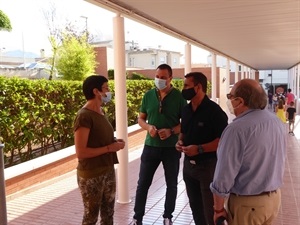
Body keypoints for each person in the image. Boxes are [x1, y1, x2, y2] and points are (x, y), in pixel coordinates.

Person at [210, 79, 286, 225]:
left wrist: (218, 209)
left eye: (230, 97)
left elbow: (223, 174)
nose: (229, 101)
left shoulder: (236, 129)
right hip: (273, 200)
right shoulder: (275, 121)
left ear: (239, 101)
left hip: (247, 206)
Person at [130, 64, 187, 225]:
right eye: (157, 77)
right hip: (150, 147)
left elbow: (186, 122)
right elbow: (141, 118)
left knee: (171, 184)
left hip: (171, 148)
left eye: (163, 77)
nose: (159, 80)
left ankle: (167, 216)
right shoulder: (148, 95)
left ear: (170, 78)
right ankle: (137, 217)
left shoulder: (179, 97)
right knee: (143, 184)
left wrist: (171, 131)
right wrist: (148, 127)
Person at [175, 72, 228, 225]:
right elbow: (183, 132)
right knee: (196, 209)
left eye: (186, 85)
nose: (183, 89)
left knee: (210, 212)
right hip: (188, 168)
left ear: (198, 87)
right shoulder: (185, 110)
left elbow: (222, 141)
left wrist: (199, 149)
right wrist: (179, 142)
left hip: (208, 168)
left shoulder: (215, 111)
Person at [74, 75, 125, 225]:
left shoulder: (101, 112)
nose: (109, 91)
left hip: (107, 170)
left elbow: (99, 140)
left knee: (108, 214)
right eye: (106, 88)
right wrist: (110, 148)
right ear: (96, 91)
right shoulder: (84, 116)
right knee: (91, 217)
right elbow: (81, 152)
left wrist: (114, 143)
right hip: (91, 175)